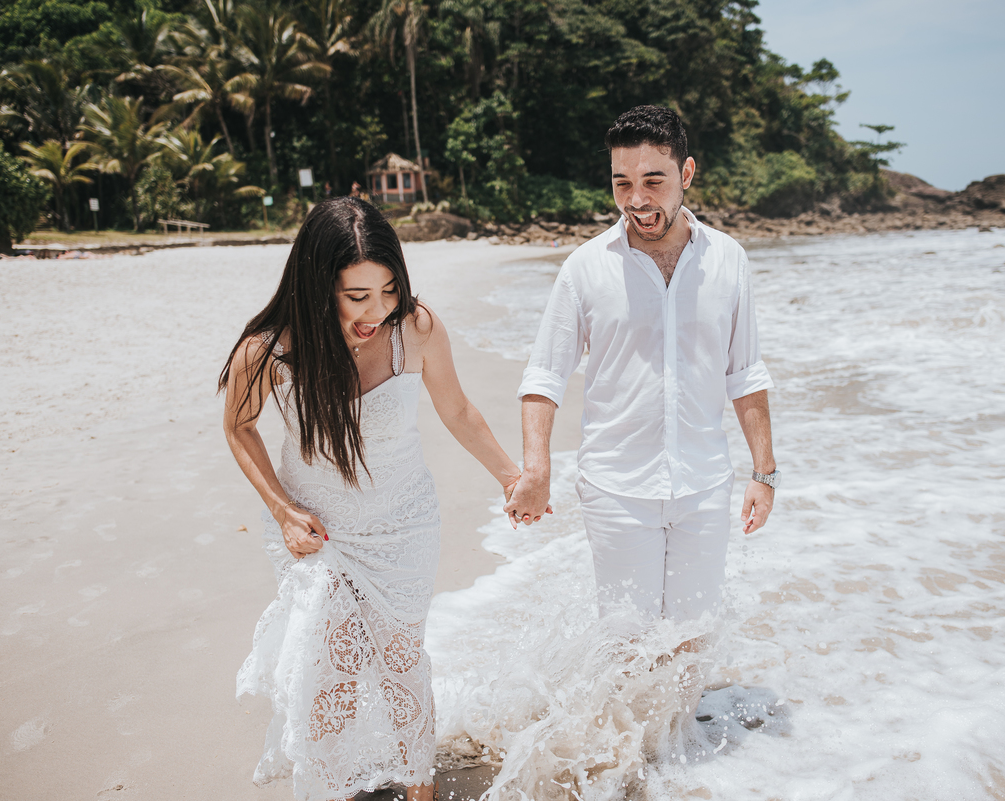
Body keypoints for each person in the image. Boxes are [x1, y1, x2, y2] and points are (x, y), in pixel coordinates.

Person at [221, 197, 524, 801]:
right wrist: (283, 510)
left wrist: (513, 479)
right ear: (317, 284)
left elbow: (458, 411)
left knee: (401, 660)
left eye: (388, 290)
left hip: (404, 526)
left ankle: (420, 787)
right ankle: (331, 788)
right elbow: (238, 427)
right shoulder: (269, 350)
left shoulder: (416, 328)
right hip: (317, 531)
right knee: (331, 669)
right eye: (357, 296)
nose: (377, 311)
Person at [505, 105, 779, 628]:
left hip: (703, 485)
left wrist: (764, 474)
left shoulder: (728, 259)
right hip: (616, 490)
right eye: (622, 182)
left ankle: (683, 717)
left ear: (687, 174)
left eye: (654, 180)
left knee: (691, 640)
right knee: (627, 647)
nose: (637, 199)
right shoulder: (585, 267)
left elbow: (745, 374)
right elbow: (545, 376)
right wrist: (537, 471)